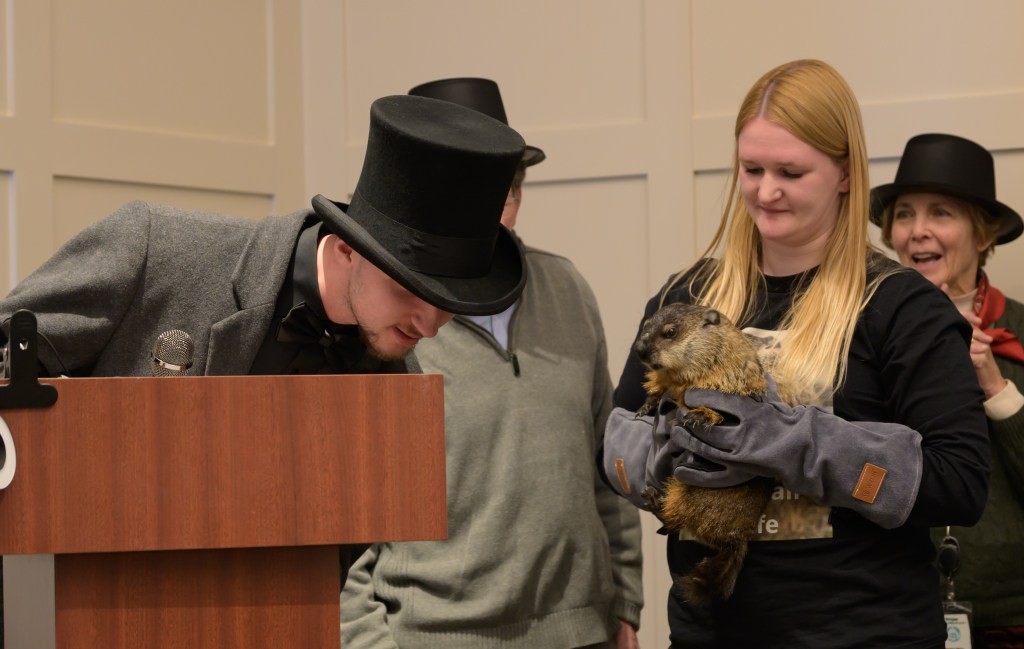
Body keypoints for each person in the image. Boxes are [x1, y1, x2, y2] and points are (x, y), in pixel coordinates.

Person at [0, 93, 527, 587]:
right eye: (409, 289)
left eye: (450, 306)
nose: (430, 325)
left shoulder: (392, 399)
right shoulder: (153, 248)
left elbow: (327, 574)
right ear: (347, 247)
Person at [601, 59, 990, 648]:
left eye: (790, 171)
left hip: (864, 632)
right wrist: (669, 461)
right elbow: (613, 445)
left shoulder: (901, 307)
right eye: (751, 168)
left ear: (843, 173)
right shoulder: (689, 296)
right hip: (711, 630)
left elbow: (959, 484)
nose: (765, 190)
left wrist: (794, 442)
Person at [340, 78, 644, 649]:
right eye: (462, 198)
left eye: (501, 194)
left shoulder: (568, 288)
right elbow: (341, 517)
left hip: (585, 631)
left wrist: (624, 599)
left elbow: (611, 453)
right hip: (432, 637)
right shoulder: (377, 322)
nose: (484, 219)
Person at [872, 132, 1024, 649]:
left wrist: (994, 384)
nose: (917, 232)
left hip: (1009, 614)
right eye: (905, 215)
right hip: (889, 606)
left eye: (940, 214)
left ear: (983, 235)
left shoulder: (1020, 332)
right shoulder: (863, 332)